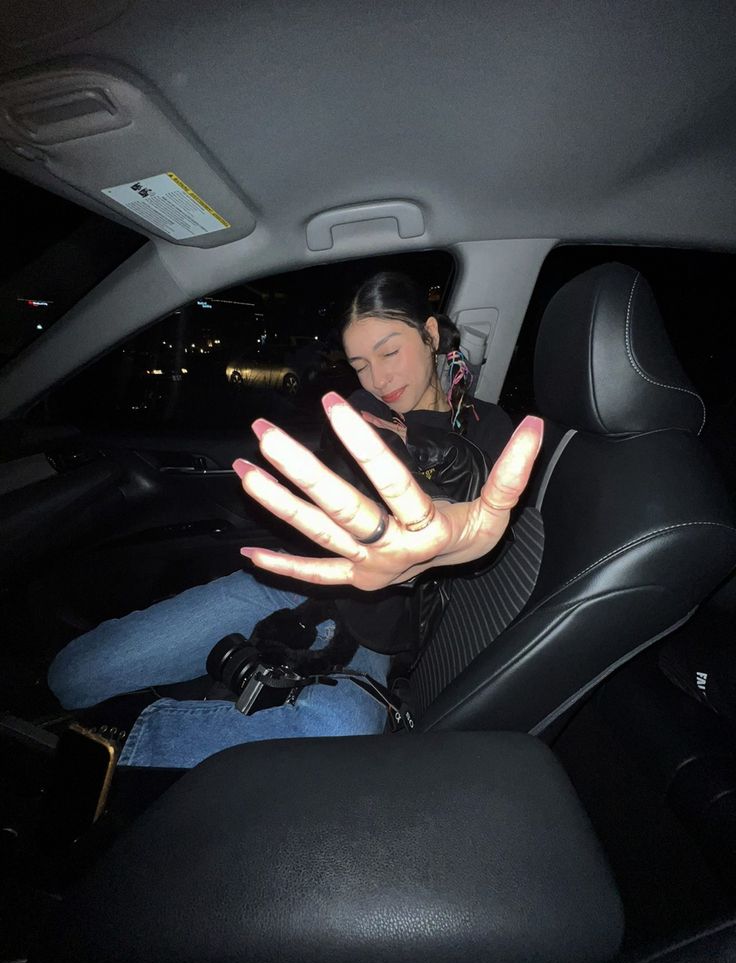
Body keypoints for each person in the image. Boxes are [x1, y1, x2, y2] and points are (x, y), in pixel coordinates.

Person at [47, 272, 543, 768]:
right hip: (298, 580)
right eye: (360, 364)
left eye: (390, 353)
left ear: (431, 335)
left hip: (382, 632)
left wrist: (432, 475)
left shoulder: (492, 429)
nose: (378, 379)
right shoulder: (359, 412)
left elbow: (472, 542)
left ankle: (117, 744)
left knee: (339, 725)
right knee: (73, 675)